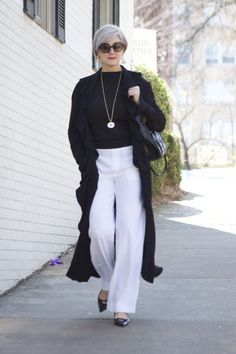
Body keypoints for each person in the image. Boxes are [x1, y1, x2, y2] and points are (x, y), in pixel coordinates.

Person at [66, 24, 166, 327]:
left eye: (117, 46)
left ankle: (122, 305)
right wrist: (86, 165)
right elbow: (74, 131)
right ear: (96, 51)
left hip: (131, 165)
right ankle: (108, 281)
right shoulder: (84, 87)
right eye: (105, 47)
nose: (112, 52)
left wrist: (142, 103)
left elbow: (159, 123)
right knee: (98, 230)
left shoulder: (137, 82)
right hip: (99, 165)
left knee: (129, 233)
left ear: (123, 49)